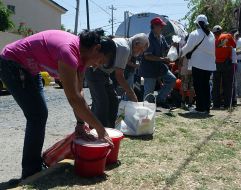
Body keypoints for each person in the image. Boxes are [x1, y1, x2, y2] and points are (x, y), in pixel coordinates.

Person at [0, 30, 116, 182]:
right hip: (12, 62)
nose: (97, 66)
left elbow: (79, 93)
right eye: (100, 61)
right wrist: (100, 129)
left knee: (39, 114)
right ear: (96, 49)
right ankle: (31, 171)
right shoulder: (68, 51)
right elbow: (73, 98)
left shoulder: (82, 60)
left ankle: (33, 167)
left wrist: (81, 124)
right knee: (37, 115)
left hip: (30, 69)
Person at [85, 33, 149, 128]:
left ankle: (110, 128)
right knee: (102, 102)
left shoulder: (127, 48)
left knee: (113, 101)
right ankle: (99, 132)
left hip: (105, 74)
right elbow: (119, 75)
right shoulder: (125, 48)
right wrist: (132, 94)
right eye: (141, 49)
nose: (141, 52)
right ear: (136, 43)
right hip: (95, 71)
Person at [179, 15, 216, 113]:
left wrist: (180, 53)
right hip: (209, 65)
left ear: (197, 23)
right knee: (206, 86)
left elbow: (188, 47)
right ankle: (206, 107)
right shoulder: (211, 34)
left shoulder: (194, 33)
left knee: (198, 86)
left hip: (198, 64)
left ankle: (200, 108)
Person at [139, 17, 176, 108]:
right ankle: (146, 112)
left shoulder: (161, 37)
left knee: (172, 79)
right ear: (154, 26)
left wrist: (173, 46)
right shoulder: (148, 39)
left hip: (159, 66)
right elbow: (147, 56)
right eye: (160, 26)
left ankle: (159, 99)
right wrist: (163, 59)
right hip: (149, 69)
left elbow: (166, 49)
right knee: (149, 94)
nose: (162, 28)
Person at [212, 25, 237, 109]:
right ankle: (227, 104)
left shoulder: (212, 39)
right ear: (221, 30)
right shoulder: (228, 36)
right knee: (227, 84)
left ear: (214, 32)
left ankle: (216, 104)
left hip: (216, 64)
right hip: (227, 64)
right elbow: (234, 45)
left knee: (216, 85)